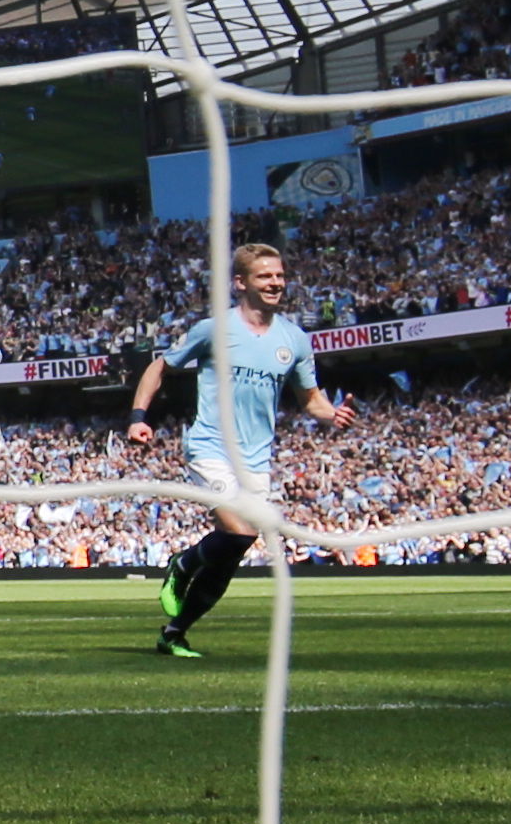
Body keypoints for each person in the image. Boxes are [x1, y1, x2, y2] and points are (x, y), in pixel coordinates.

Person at [124, 242, 352, 658]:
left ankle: (174, 633)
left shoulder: (294, 339)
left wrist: (331, 414)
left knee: (232, 554)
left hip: (256, 460)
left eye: (280, 275)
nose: (276, 283)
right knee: (240, 531)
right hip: (211, 446)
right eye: (265, 276)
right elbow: (160, 366)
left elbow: (311, 399)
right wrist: (139, 417)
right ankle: (183, 564)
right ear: (240, 283)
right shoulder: (213, 329)